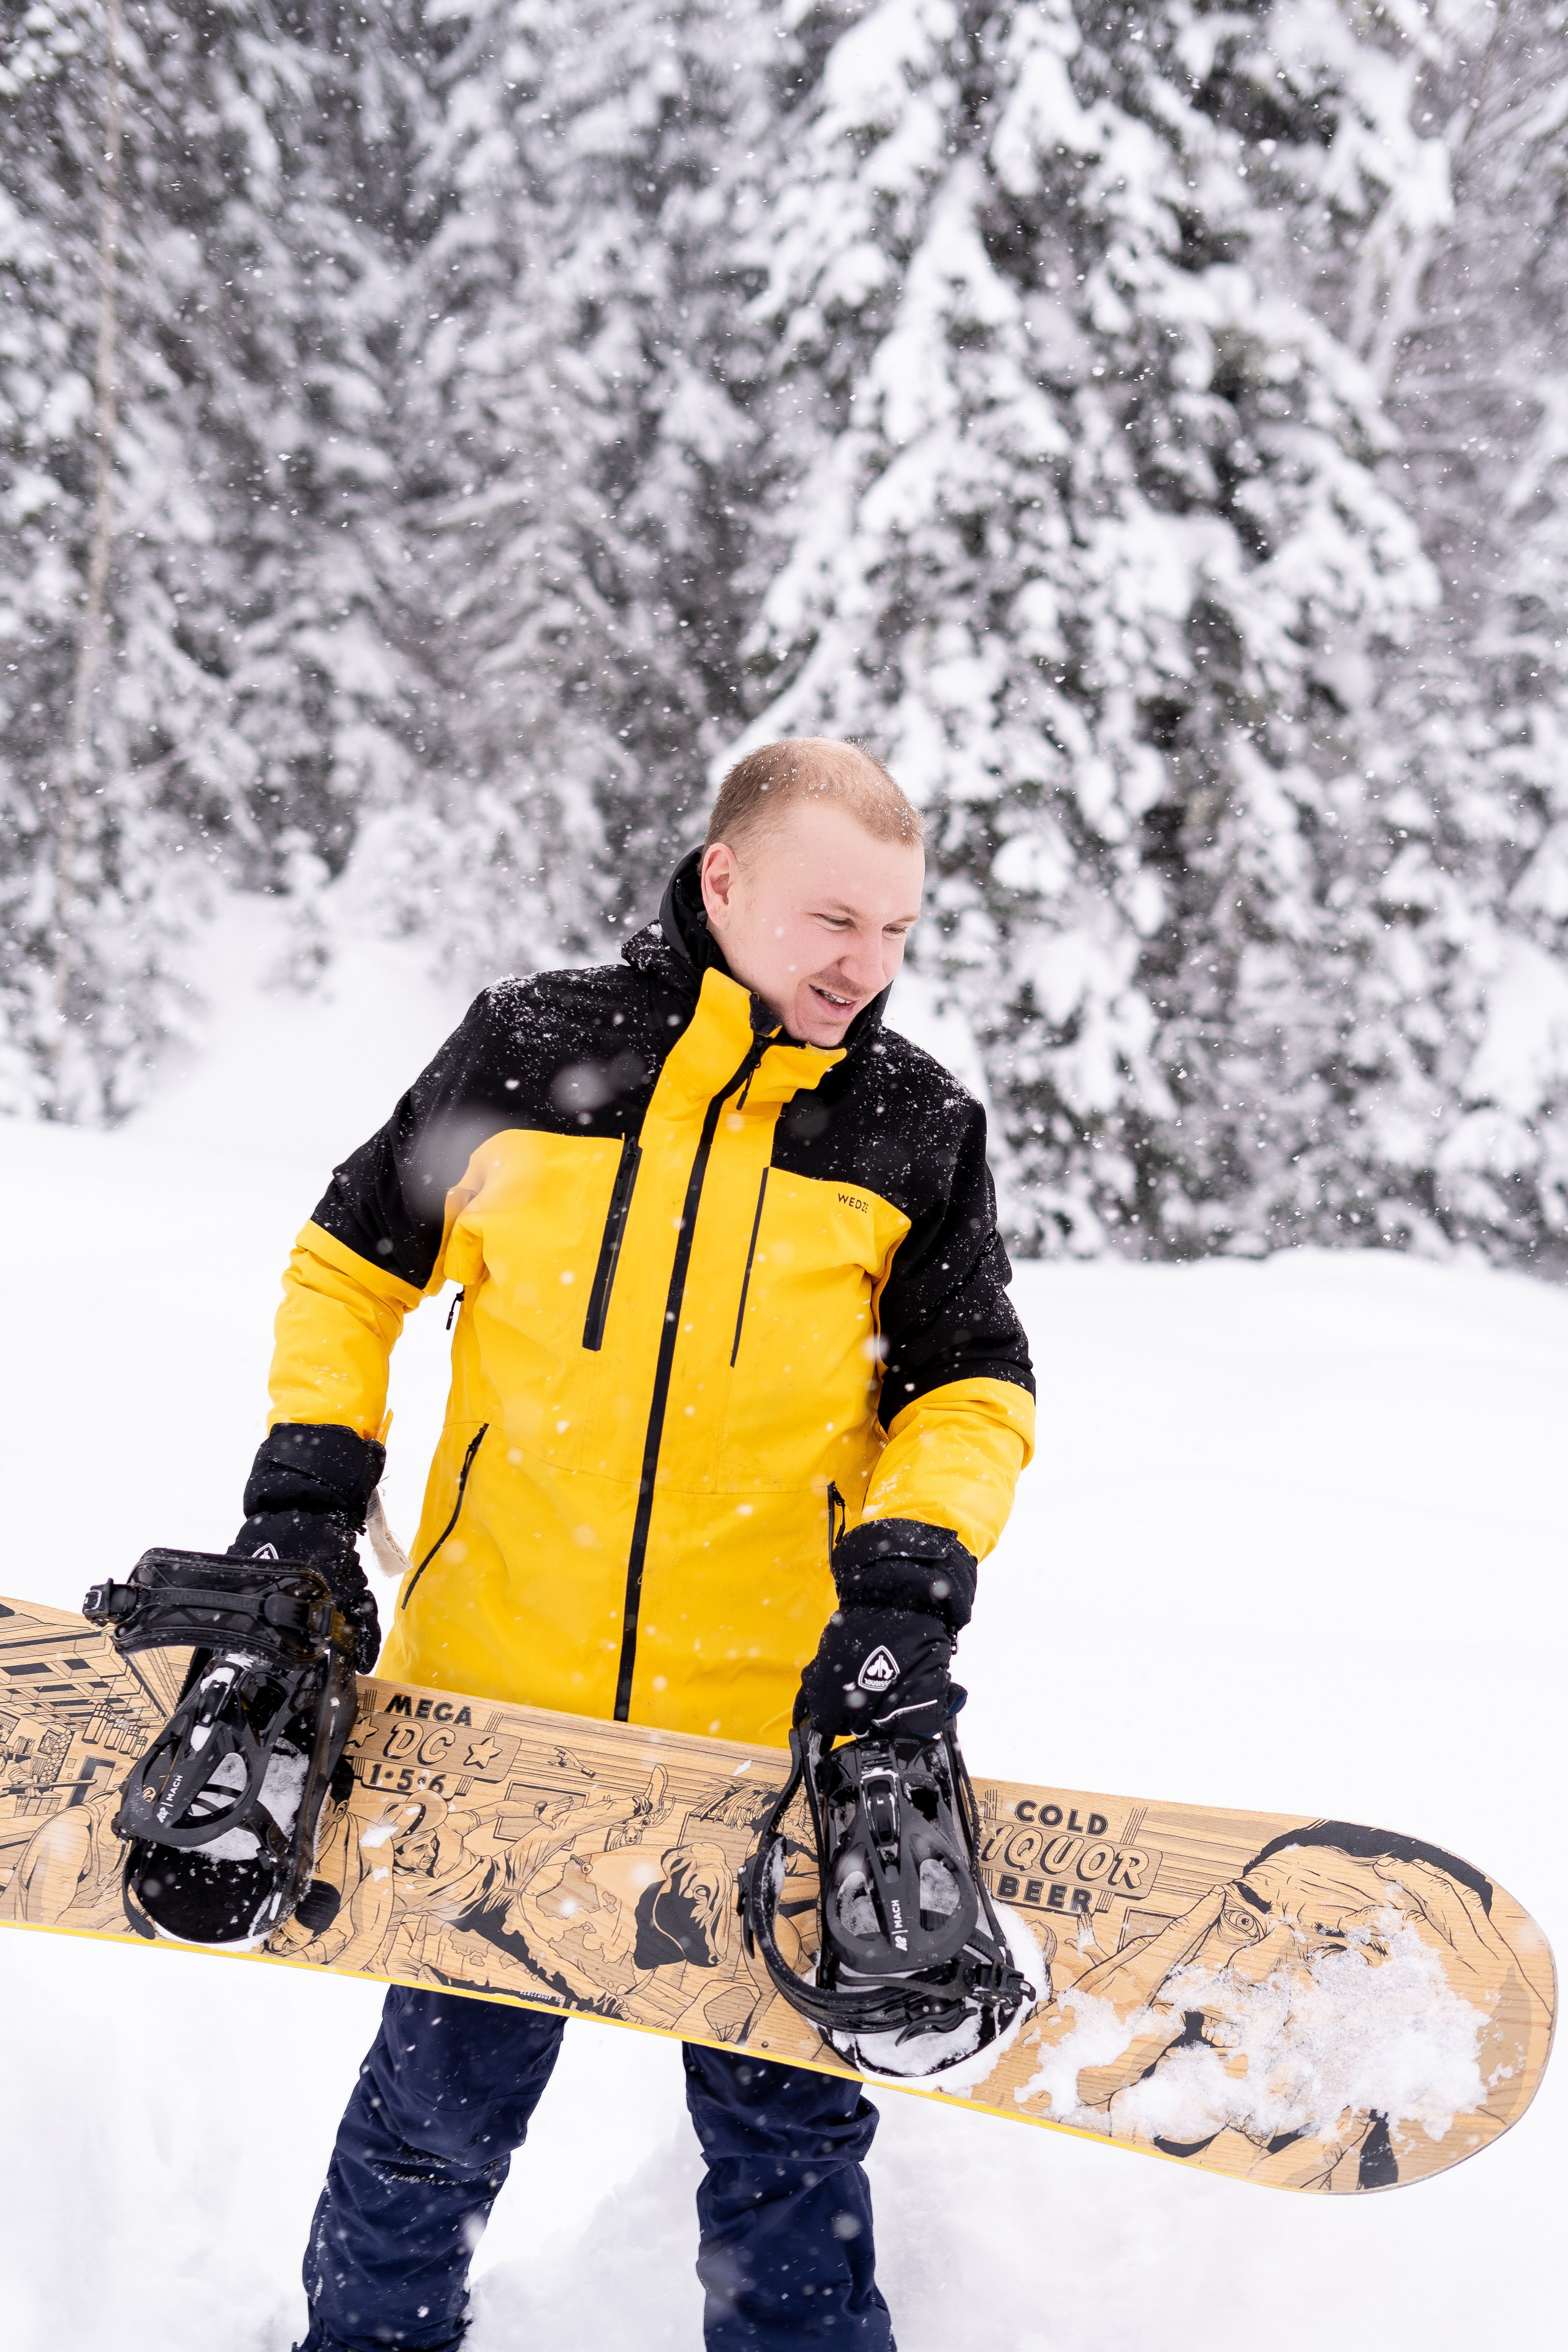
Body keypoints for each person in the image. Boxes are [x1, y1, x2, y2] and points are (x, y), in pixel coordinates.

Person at [234, 737, 1036, 2351]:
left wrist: (907, 1588)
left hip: (763, 1738)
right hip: (498, 1712)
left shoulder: (911, 1126)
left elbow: (974, 1393)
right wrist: (308, 1503)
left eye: (893, 930)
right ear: (722, 880)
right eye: (832, 920)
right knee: (428, 2135)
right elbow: (346, 1267)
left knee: (787, 2163)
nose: (862, 966)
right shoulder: (532, 1049)